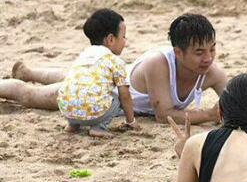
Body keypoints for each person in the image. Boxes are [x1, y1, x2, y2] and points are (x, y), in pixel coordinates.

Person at [2, 14, 227, 124]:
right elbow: (164, 115)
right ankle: (13, 83)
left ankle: (28, 72)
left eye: (212, 49)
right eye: (199, 52)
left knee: (71, 74)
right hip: (98, 90)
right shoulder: (158, 64)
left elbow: (237, 104)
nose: (208, 58)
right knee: (31, 96)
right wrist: (208, 115)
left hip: (108, 74)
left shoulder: (213, 73)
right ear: (178, 52)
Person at [55, 9, 140, 138]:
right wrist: (131, 121)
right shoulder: (115, 61)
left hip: (66, 110)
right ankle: (98, 127)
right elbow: (125, 96)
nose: (125, 41)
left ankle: (73, 125)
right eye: (123, 37)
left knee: (78, 91)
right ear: (110, 39)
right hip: (94, 114)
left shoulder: (83, 54)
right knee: (117, 97)